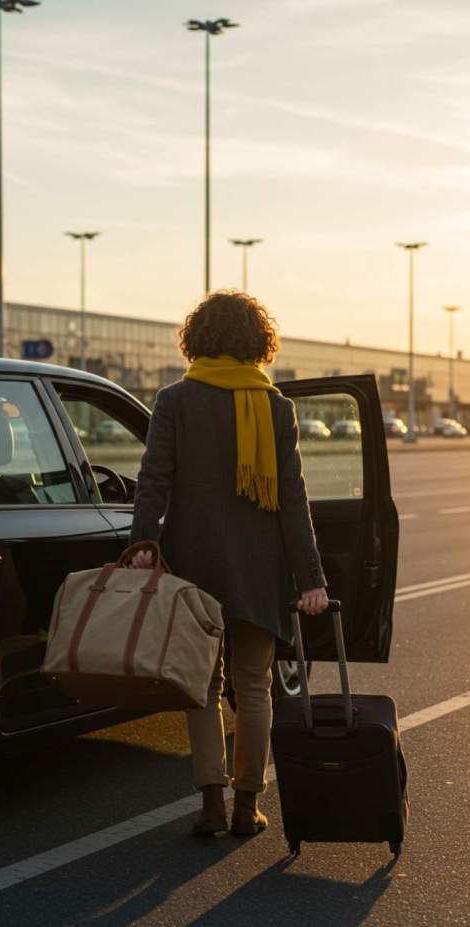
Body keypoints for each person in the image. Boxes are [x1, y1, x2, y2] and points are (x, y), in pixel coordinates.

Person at [128, 291, 328, 837]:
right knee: (255, 685)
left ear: (197, 339)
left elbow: (155, 481)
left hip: (195, 563)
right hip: (260, 569)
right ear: (256, 342)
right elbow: (293, 500)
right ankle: (248, 807)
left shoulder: (174, 401)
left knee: (202, 685)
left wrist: (144, 541)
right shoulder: (276, 407)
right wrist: (310, 579)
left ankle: (211, 804)